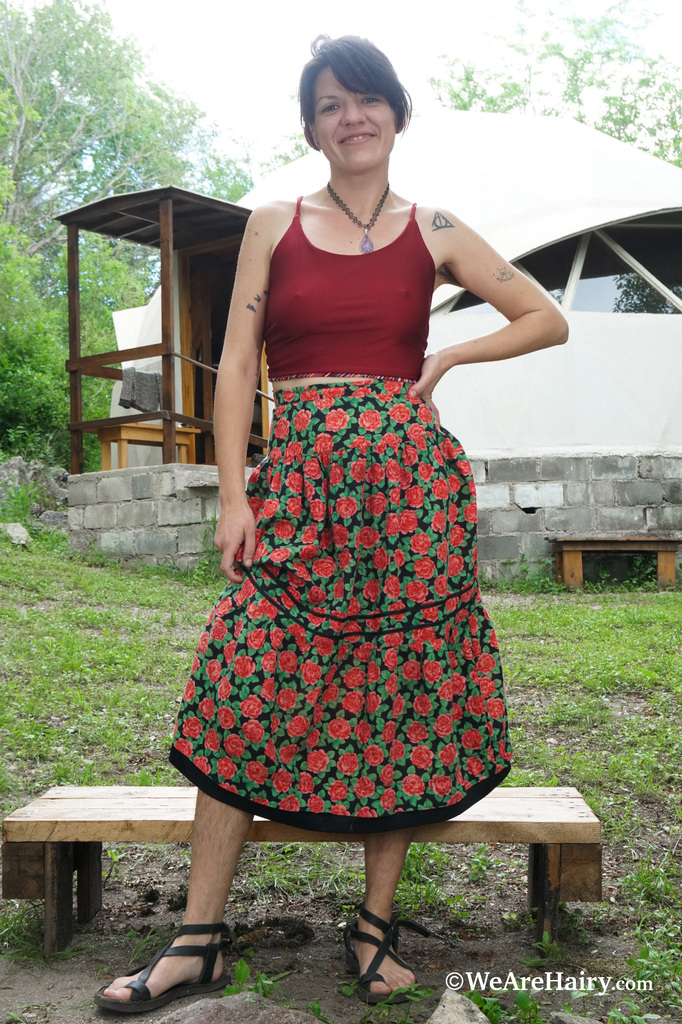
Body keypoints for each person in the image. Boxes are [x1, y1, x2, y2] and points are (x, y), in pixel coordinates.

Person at [95, 34, 568, 1014]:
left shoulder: (436, 226)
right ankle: (197, 937)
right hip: (299, 485)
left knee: (398, 689)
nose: (351, 117)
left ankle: (373, 927)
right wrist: (235, 496)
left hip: (411, 491)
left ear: (396, 112)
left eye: (366, 99)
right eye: (329, 105)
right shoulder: (274, 225)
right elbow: (237, 365)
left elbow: (543, 317)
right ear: (311, 128)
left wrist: (447, 359)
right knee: (240, 678)